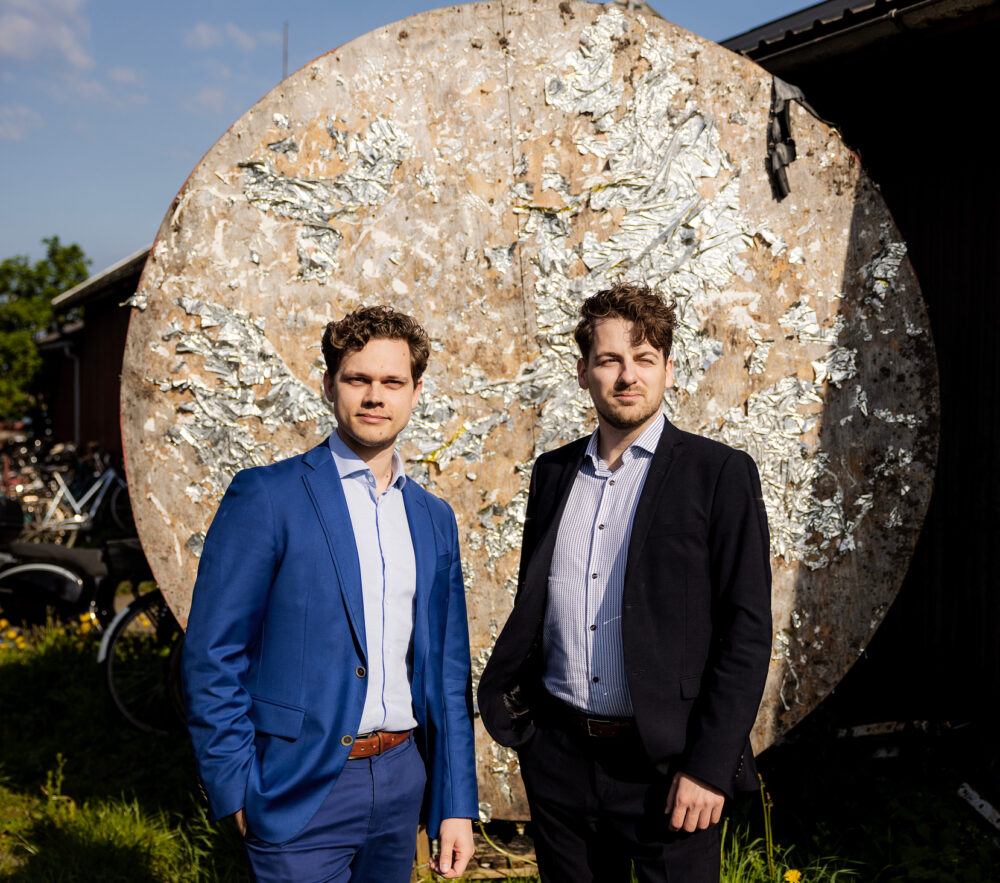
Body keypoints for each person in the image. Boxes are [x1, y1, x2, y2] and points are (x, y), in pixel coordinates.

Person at [477, 282, 772, 883]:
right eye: (609, 360)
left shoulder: (719, 474)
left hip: (669, 767)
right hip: (559, 759)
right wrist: (532, 738)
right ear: (583, 371)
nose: (627, 376)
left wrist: (709, 765)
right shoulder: (553, 473)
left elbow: (746, 632)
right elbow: (540, 602)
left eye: (644, 359)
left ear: (668, 370)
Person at [182, 305, 477, 882]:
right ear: (328, 385)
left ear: (416, 392)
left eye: (392, 382)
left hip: (402, 781)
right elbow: (212, 654)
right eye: (357, 379)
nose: (375, 396)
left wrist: (456, 801)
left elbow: (447, 672)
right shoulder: (267, 496)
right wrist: (235, 786)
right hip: (297, 785)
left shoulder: (433, 517)